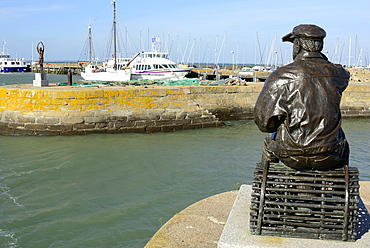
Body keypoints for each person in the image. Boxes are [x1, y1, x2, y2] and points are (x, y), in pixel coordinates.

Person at [254, 24, 350, 170]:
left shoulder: (280, 76)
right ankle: (339, 186)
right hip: (330, 153)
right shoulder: (338, 74)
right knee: (343, 143)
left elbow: (264, 123)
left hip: (291, 154)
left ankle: (267, 184)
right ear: (321, 45)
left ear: (297, 45)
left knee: (270, 142)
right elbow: (340, 74)